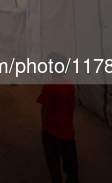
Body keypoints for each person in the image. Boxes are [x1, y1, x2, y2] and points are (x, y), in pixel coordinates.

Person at [36, 52, 79, 183]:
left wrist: (44, 128)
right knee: (70, 160)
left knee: (53, 161)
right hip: (68, 130)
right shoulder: (70, 85)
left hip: (52, 132)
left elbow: (45, 110)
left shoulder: (49, 88)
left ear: (51, 68)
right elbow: (72, 104)